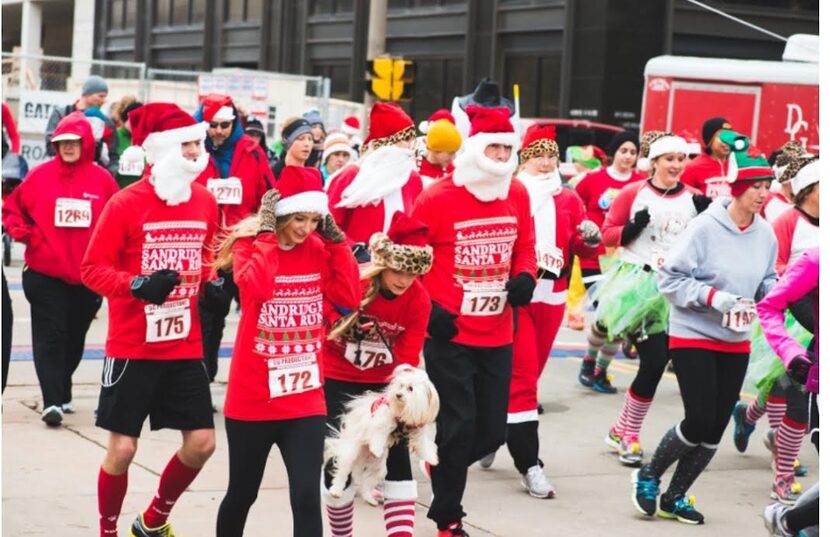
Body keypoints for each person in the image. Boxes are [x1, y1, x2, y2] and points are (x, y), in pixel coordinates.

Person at [79, 102, 220, 537]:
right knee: (122, 449)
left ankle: (154, 519)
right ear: (162, 150)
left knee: (202, 443)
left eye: (199, 143)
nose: (199, 151)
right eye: (190, 144)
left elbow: (207, 256)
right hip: (132, 346)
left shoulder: (205, 201)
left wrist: (213, 278)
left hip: (183, 343)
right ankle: (108, 530)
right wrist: (138, 285)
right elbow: (91, 269)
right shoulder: (125, 203)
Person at [632, 146, 777, 525]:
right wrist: (713, 297)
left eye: (767, 187)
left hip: (736, 338)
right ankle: (648, 475)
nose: (763, 194)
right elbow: (670, 278)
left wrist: (769, 292)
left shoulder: (766, 234)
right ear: (737, 188)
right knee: (697, 419)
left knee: (715, 425)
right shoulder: (705, 227)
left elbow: (767, 278)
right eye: (756, 186)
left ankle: (674, 497)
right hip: (693, 331)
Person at [214, 167, 360, 537]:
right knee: (243, 493)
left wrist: (338, 243)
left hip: (304, 397)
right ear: (279, 214)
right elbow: (256, 289)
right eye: (298, 218)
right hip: (253, 398)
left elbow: (348, 298)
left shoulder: (320, 248)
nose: (306, 228)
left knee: (307, 495)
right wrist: (266, 236)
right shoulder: (251, 247)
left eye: (314, 219)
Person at [411, 105, 536, 536]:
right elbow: (407, 260)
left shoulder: (516, 194)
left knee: (490, 433)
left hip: (498, 331)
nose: (501, 157)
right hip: (450, 332)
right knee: (460, 426)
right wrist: (429, 311)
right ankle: (449, 518)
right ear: (477, 150)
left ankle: (437, 460)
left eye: (507, 149)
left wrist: (525, 276)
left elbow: (526, 247)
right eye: (494, 148)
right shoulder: (437, 198)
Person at [478, 123, 600, 498]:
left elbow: (580, 247)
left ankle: (494, 432)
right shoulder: (512, 192)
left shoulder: (568, 197)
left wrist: (588, 238)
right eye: (538, 156)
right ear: (523, 159)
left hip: (554, 294)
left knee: (529, 377)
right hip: (519, 297)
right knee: (524, 380)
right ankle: (529, 463)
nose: (546, 163)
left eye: (551, 155)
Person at [321, 210, 432, 537]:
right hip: (337, 376)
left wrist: (400, 406)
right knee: (338, 462)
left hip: (383, 385)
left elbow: (408, 361)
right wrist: (344, 325)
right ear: (384, 264)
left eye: (411, 275)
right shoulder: (356, 281)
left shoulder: (418, 301)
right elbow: (323, 310)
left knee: (397, 458)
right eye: (397, 271)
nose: (403, 280)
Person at [3, 111, 118, 425]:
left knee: (73, 338)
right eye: (62, 142)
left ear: (86, 144)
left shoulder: (102, 180)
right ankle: (52, 401)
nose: (67, 147)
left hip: (87, 277)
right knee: (50, 336)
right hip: (44, 274)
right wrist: (28, 236)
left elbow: (117, 221)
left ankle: (62, 387)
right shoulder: (40, 176)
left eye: (73, 142)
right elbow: (12, 210)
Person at [577, 131, 703, 396]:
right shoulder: (633, 192)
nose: (677, 165)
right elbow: (608, 234)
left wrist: (706, 217)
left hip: (671, 280)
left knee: (628, 336)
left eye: (681, 159)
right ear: (654, 161)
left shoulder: (694, 197)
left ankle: (599, 369)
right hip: (635, 274)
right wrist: (634, 227)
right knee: (610, 323)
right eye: (670, 158)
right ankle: (591, 362)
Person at [731, 153, 818, 504]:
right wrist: (797, 282)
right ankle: (782, 475)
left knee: (778, 394)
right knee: (792, 399)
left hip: (817, 322)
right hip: (791, 320)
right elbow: (773, 264)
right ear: (810, 189)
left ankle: (747, 415)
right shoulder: (787, 220)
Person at [194, 93, 277, 385]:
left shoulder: (252, 151)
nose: (218, 131)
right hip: (204, 249)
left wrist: (266, 237)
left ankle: (253, 381)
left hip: (243, 246)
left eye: (224, 125)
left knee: (256, 315)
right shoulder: (193, 151)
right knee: (207, 321)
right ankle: (203, 382)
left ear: (234, 124)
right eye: (212, 125)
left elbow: (269, 196)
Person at [758, 247, 819, 537]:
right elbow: (770, 306)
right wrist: (790, 351)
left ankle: (793, 524)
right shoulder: (817, 259)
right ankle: (788, 522)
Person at [569, 131, 641, 331]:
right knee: (602, 309)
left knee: (617, 313)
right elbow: (574, 204)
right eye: (623, 151)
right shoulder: (593, 179)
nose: (628, 156)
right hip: (593, 255)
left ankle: (596, 358)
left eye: (633, 152)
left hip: (625, 257)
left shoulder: (641, 183)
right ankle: (593, 358)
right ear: (614, 152)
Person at [327, 102, 423, 245]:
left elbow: (417, 226)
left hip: (397, 266)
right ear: (387, 142)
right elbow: (328, 226)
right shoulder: (352, 175)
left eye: (411, 140)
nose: (410, 147)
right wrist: (354, 249)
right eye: (405, 139)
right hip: (357, 264)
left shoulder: (412, 179)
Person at [45, 74, 119, 176]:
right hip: (61, 174)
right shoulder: (62, 114)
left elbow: (113, 155)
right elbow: (50, 145)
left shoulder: (106, 122)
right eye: (100, 96)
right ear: (88, 94)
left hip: (92, 177)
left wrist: (109, 175)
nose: (103, 100)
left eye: (105, 97)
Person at [680, 116, 734, 198]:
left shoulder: (738, 165)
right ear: (710, 140)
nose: (727, 141)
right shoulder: (692, 168)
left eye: (730, 137)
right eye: (722, 137)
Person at [419, 118, 462, 187]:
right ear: (436, 150)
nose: (453, 158)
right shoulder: (415, 171)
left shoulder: (454, 172)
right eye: (450, 153)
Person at [114, 100, 146, 189]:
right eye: (134, 119)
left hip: (140, 191)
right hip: (117, 190)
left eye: (141, 120)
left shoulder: (148, 140)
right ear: (126, 119)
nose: (138, 123)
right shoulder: (114, 136)